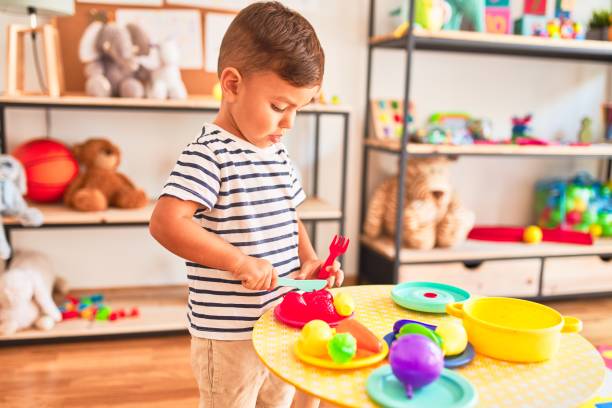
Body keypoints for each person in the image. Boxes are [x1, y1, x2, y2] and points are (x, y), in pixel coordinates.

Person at [149, 2, 343, 407]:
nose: (289, 122)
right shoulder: (208, 154)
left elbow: (289, 216)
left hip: (281, 319)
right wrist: (238, 261)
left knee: (281, 399)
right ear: (233, 85)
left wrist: (308, 260)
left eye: (298, 109)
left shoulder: (277, 152)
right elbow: (167, 223)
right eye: (278, 107)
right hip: (229, 334)